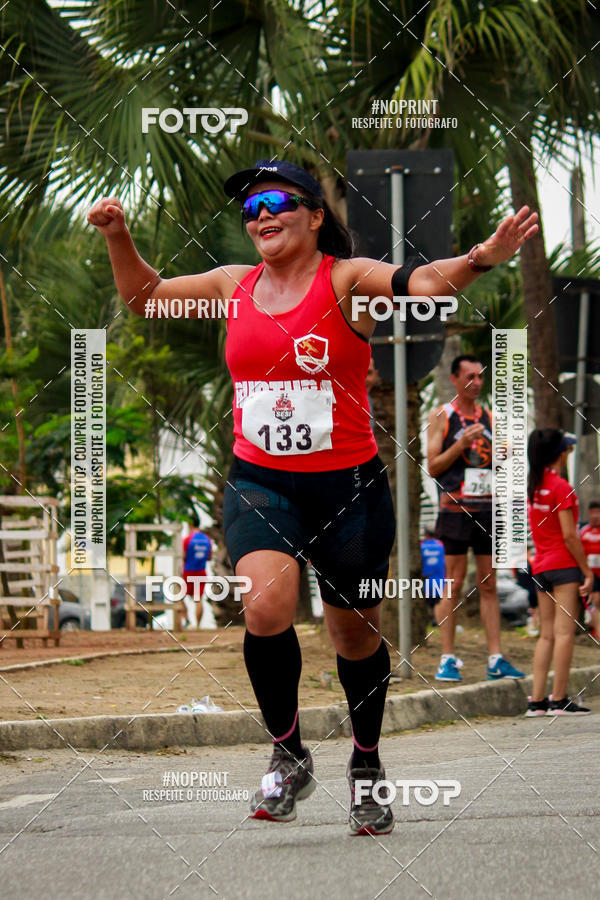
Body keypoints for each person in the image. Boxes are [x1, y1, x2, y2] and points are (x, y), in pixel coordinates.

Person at [87, 157, 538, 835]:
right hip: (260, 480)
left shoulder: (346, 281)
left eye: (276, 201)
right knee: (265, 605)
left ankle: (365, 765)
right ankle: (289, 753)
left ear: (316, 214)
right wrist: (118, 235)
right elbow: (146, 298)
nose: (261, 215)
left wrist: (482, 257)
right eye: (250, 208)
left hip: (348, 487)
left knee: (351, 633)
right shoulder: (232, 284)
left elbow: (419, 284)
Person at [426, 355, 526, 682]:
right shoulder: (443, 415)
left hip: (486, 509)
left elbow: (499, 460)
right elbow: (433, 466)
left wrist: (505, 454)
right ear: (455, 379)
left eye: (480, 377)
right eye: (470, 376)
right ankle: (447, 659)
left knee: (490, 584)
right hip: (455, 510)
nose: (477, 383)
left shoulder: (491, 417)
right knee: (452, 585)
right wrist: (461, 443)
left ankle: (496, 658)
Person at [526, 430, 593, 716]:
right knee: (565, 633)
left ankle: (537, 701)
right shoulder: (560, 486)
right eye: (566, 450)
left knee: (546, 635)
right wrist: (587, 570)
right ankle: (559, 699)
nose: (568, 454)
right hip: (564, 565)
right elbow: (570, 535)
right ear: (559, 454)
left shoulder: (534, 486)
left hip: (540, 566)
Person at [182, 514, 212, 628]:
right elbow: (209, 557)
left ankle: (187, 622)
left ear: (189, 524)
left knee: (178, 597)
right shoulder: (207, 539)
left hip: (188, 571)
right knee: (198, 599)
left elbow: (183, 556)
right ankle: (198, 626)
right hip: (201, 571)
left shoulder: (187, 540)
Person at [579, 500, 600, 641]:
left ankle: (594, 627)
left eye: (598, 512)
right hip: (590, 573)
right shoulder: (583, 531)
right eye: (593, 512)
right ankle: (596, 630)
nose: (595, 516)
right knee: (596, 600)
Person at [420, 527, 446, 625]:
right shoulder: (441, 545)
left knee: (428, 603)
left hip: (426, 581)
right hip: (440, 581)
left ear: (426, 534)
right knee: (438, 602)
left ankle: (432, 619)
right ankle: (436, 619)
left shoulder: (422, 546)